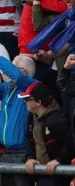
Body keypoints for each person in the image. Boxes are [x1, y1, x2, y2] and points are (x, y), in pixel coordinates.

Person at [21, 81, 72, 186]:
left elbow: (71, 143)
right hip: (41, 173)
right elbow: (29, 139)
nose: (25, 102)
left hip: (57, 174)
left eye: (27, 99)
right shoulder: (32, 116)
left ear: (38, 102)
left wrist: (59, 160)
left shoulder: (57, 120)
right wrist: (30, 158)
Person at [0, 56, 38, 186]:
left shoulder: (31, 86)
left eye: (11, 68)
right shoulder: (7, 88)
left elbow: (19, 78)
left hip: (23, 154)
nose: (5, 72)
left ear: (25, 72)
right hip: (5, 153)